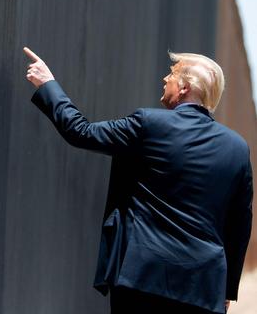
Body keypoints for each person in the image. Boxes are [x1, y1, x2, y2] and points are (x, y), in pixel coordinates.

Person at [23, 47, 253, 314]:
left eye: (172, 74)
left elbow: (81, 131)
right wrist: (226, 289)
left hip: (142, 279)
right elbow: (240, 225)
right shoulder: (237, 149)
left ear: (184, 88)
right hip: (203, 287)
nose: (165, 79)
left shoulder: (149, 124)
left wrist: (48, 84)